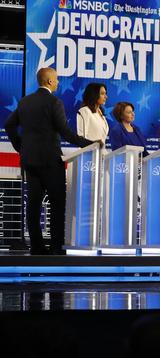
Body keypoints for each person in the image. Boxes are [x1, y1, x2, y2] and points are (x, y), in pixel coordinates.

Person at [4, 68, 94, 255]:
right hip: (51, 161)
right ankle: (56, 247)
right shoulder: (54, 102)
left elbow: (9, 125)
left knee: (34, 204)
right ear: (50, 81)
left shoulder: (25, 101)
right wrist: (89, 143)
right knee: (57, 203)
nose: (59, 82)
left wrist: (20, 146)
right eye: (57, 79)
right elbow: (65, 131)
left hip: (30, 159)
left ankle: (37, 247)